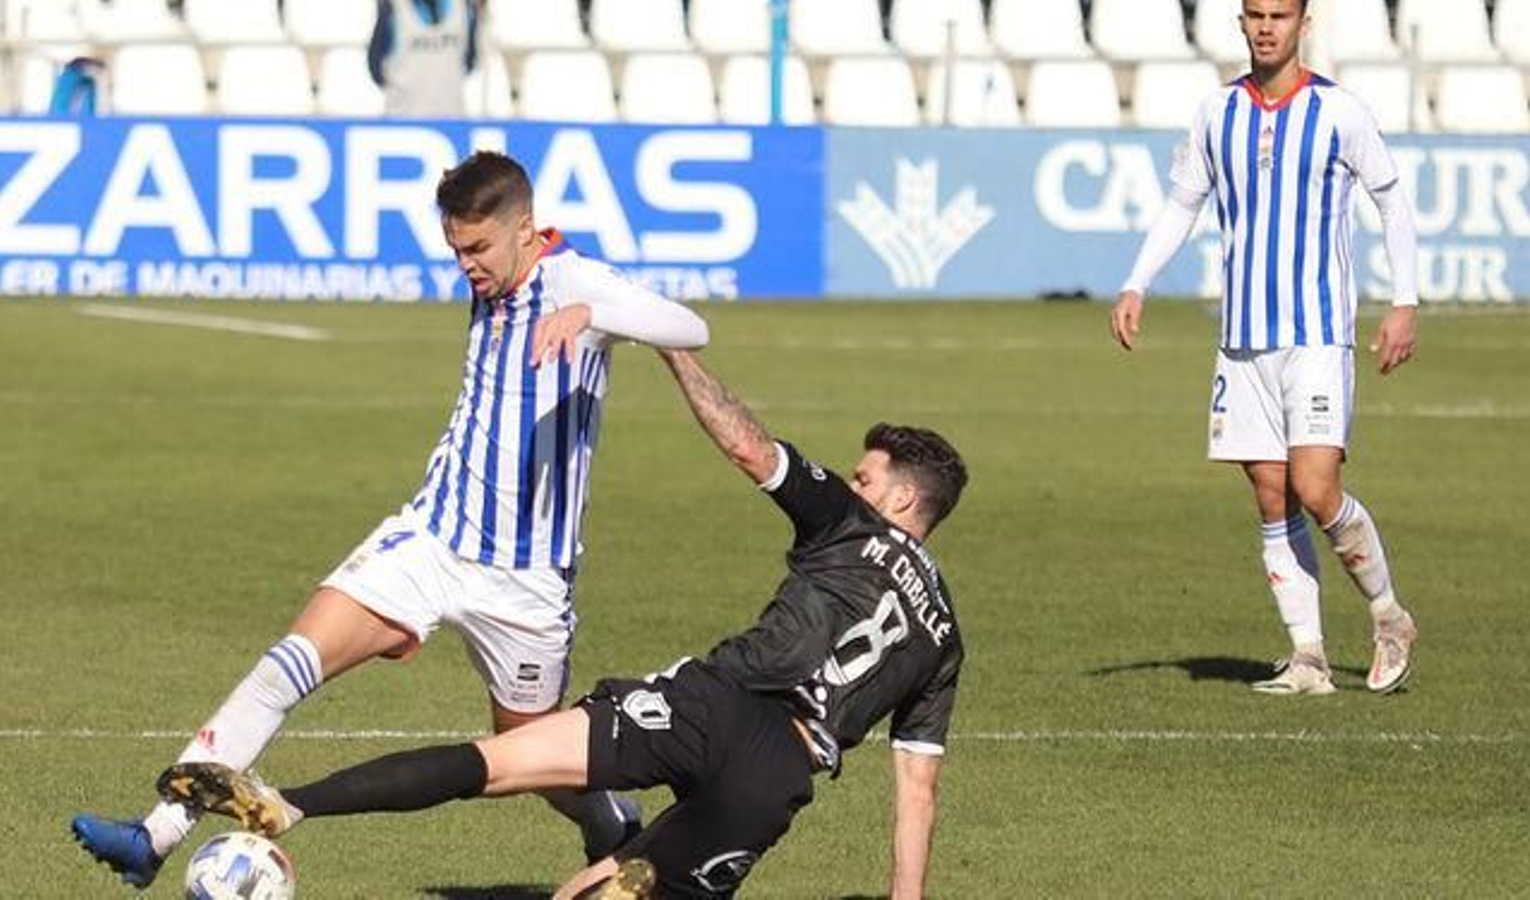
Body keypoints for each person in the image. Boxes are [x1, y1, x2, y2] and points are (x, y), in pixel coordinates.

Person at [71, 149, 711, 889]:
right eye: (455, 250)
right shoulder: (496, 275)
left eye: (478, 248)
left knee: (531, 752)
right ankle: (153, 837)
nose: (466, 265)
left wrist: (591, 314)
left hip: (528, 581)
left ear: (526, 229)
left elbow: (689, 326)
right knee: (292, 660)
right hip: (431, 538)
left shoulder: (578, 280)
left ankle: (608, 820)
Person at [157, 348, 970, 899]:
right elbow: (918, 789)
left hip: (710, 705)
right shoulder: (944, 638)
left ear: (901, 499)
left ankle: (294, 804)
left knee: (496, 762)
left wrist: (673, 348)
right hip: (778, 776)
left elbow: (749, 447)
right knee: (600, 888)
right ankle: (628, 874)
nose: (854, 482)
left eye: (866, 476)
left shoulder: (851, 524)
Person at [1109, 0, 1419, 696]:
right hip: (1243, 335)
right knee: (1271, 495)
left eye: (1280, 14)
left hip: (1315, 331)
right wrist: (1137, 282)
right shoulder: (1217, 112)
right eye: (1255, 14)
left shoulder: (1341, 112)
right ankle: (1307, 658)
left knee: (1315, 488)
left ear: (1303, 22)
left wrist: (1405, 302)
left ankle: (1389, 614)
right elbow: (1183, 203)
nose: (1267, 26)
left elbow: (1392, 201)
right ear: (1241, 23)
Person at [368, 0, 481, 118]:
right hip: (403, 120)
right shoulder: (392, 8)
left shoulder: (465, 7)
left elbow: (470, 59)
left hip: (451, 118)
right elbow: (375, 65)